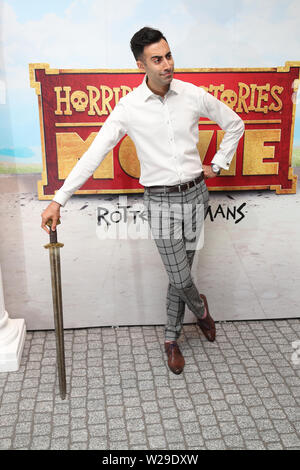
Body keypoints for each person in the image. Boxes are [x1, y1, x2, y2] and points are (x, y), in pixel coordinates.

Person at [41, 26, 244, 375]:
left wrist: (219, 164)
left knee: (178, 274)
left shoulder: (193, 94)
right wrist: (59, 200)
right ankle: (203, 311)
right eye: (157, 59)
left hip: (196, 195)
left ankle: (171, 338)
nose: (167, 65)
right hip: (160, 202)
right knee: (180, 276)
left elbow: (235, 123)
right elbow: (93, 154)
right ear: (140, 65)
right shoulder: (128, 108)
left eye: (168, 56)